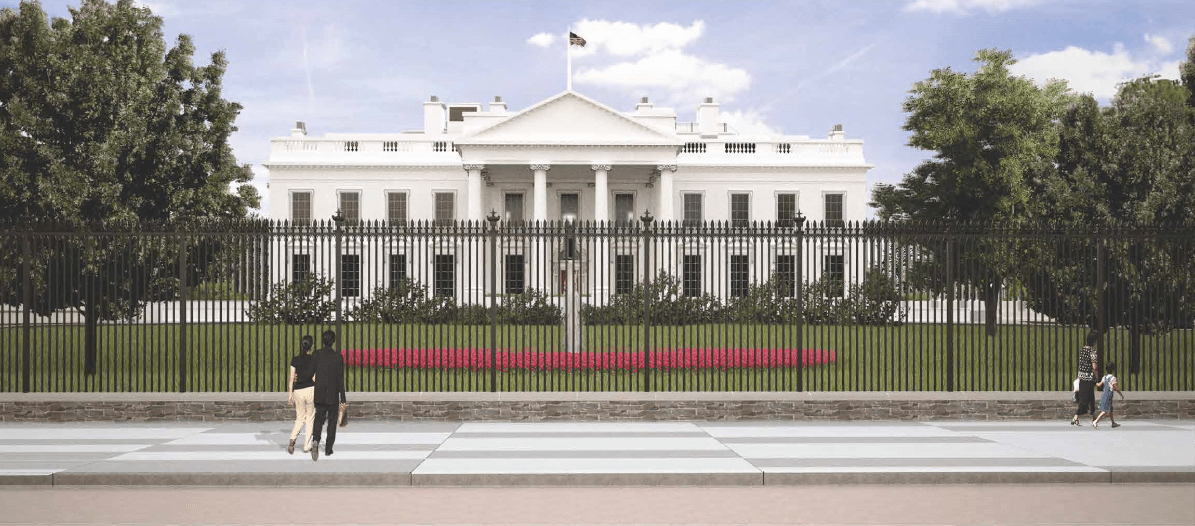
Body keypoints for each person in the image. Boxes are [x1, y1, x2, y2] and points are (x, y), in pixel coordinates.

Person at [310, 329, 346, 461]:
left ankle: (315, 440)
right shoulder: (337, 357)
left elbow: (311, 372)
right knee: (332, 421)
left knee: (318, 418)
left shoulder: (317, 354)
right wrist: (343, 398)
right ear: (333, 341)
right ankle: (328, 448)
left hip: (319, 392)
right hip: (332, 393)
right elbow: (340, 379)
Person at [286, 335, 316, 455]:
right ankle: (307, 445)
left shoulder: (295, 359)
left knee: (300, 417)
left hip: (297, 391)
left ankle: (292, 439)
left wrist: (290, 394)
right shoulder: (314, 359)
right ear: (311, 346)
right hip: (310, 389)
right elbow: (315, 377)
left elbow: (291, 378)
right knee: (309, 418)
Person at [1071, 331, 1100, 426]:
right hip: (1089, 377)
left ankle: (1094, 417)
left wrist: (1079, 375)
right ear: (1094, 341)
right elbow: (1094, 366)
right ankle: (1075, 417)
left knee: (1091, 397)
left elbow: (1081, 364)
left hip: (1082, 376)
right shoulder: (1092, 351)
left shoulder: (1082, 350)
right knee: (1084, 400)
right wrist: (1097, 377)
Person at [1093, 362, 1125, 429]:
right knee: (1105, 410)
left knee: (1110, 409)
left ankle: (1113, 423)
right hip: (1109, 395)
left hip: (1104, 394)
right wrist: (1121, 394)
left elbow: (1099, 385)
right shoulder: (1113, 378)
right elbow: (1115, 387)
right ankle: (1096, 421)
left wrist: (1094, 382)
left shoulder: (1104, 377)